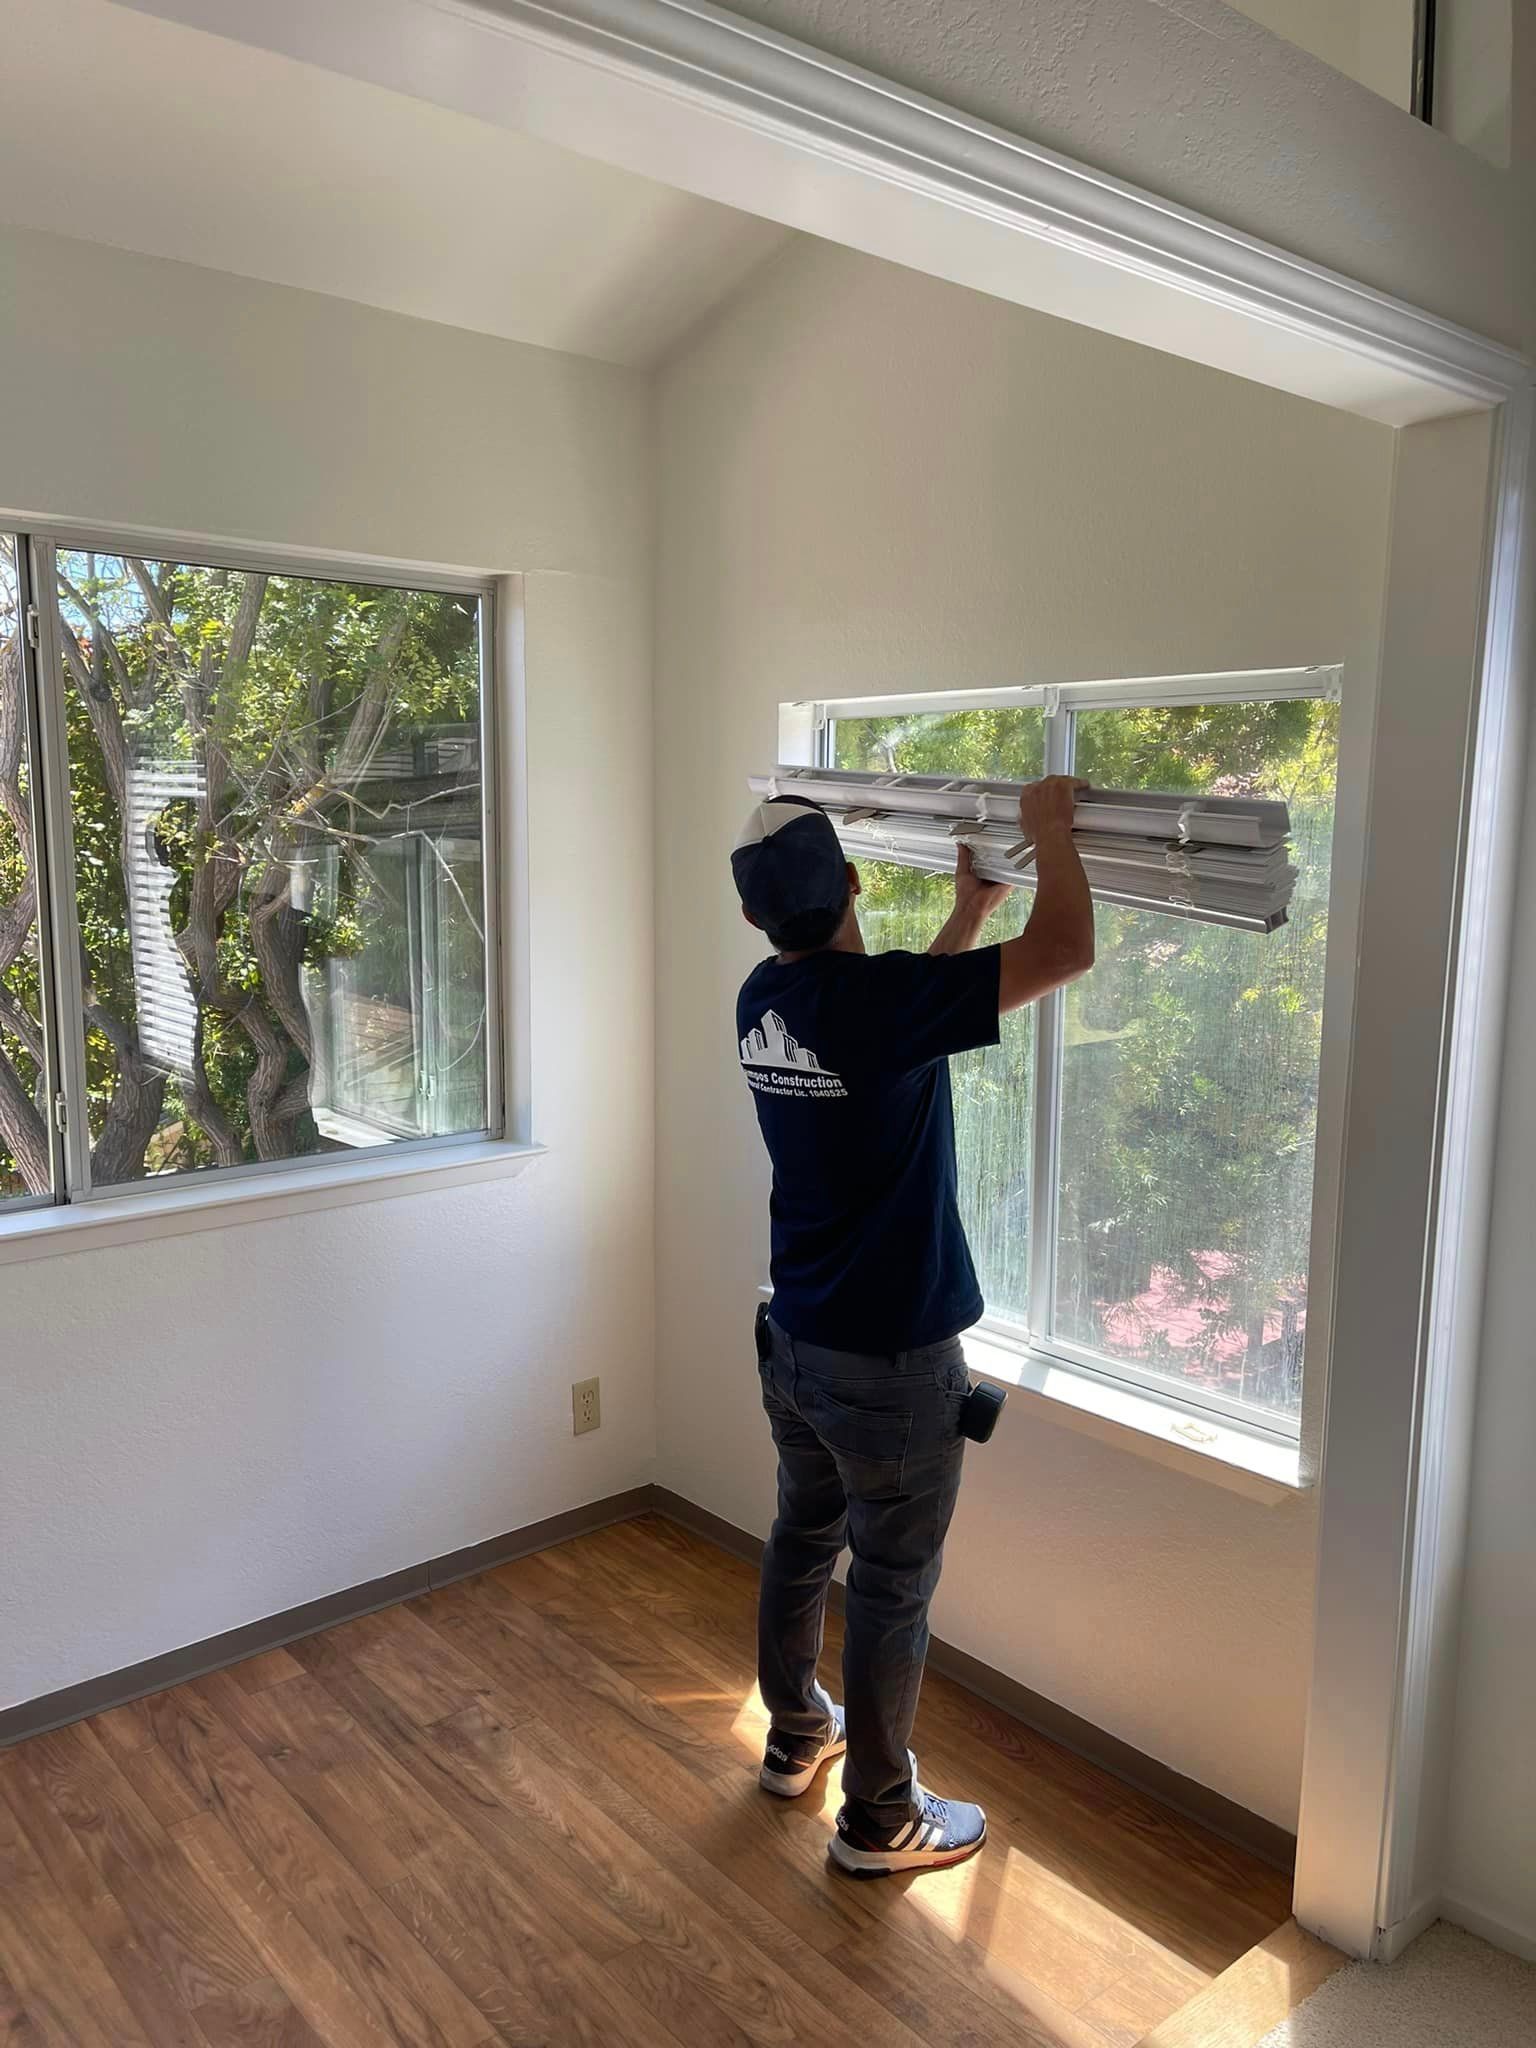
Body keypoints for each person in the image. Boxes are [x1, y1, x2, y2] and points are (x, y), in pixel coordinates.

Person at [730, 775, 1094, 1876]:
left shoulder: (763, 998)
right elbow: (1069, 947)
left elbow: (900, 1015)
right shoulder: (878, 1006)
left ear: (756, 915)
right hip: (890, 1369)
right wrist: (1049, 833)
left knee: (803, 1539)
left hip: (795, 1342)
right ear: (849, 882)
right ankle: (881, 1816)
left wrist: (970, 915)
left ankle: (797, 1735)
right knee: (889, 1584)